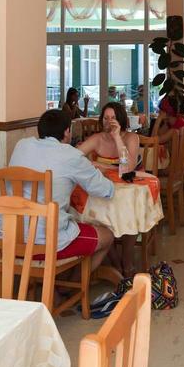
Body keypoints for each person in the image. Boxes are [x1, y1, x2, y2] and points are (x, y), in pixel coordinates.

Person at [8, 109, 114, 274]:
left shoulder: (21, 145)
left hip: (9, 236)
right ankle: (72, 284)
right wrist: (100, 172)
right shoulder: (71, 155)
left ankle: (51, 283)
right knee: (107, 235)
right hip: (47, 243)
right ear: (66, 131)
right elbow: (106, 190)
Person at [77, 102, 140, 277]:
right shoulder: (97, 139)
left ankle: (127, 262)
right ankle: (114, 263)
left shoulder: (131, 138)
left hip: (127, 191)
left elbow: (128, 169)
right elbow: (74, 157)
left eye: (113, 118)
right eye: (105, 118)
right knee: (99, 219)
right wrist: (95, 164)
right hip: (102, 192)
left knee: (130, 215)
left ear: (121, 119)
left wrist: (117, 138)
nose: (109, 122)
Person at [154, 95, 184, 174]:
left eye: (160, 110)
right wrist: (164, 123)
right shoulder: (175, 122)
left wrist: (158, 120)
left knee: (155, 171)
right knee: (156, 169)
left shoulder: (176, 127)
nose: (158, 112)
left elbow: (153, 140)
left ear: (167, 113)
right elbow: (157, 137)